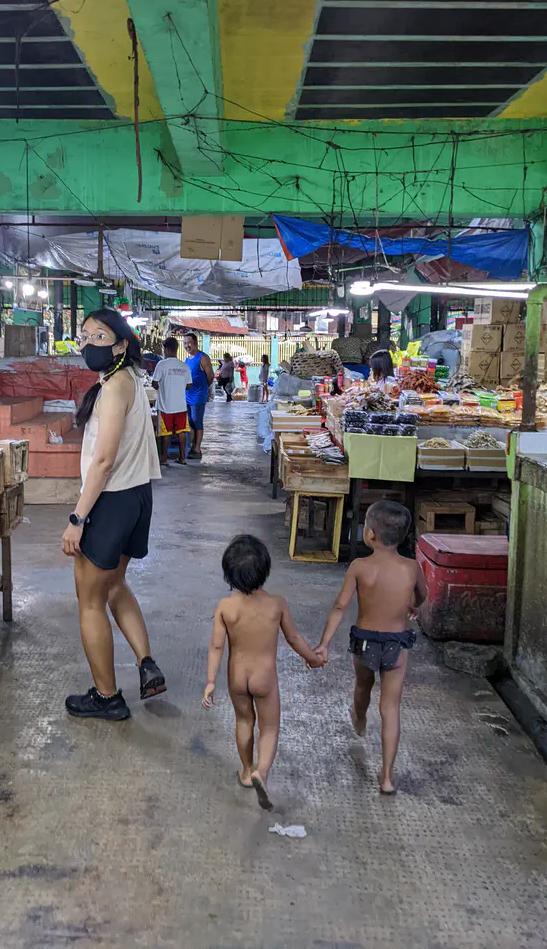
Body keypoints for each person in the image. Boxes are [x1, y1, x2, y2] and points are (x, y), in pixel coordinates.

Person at [62, 309, 166, 722]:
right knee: (116, 584)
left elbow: (103, 461)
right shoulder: (131, 381)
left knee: (90, 600)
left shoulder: (114, 388)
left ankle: (106, 697)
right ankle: (146, 662)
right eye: (85, 335)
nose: (89, 343)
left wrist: (77, 518)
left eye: (100, 336)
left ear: (121, 344)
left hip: (112, 500)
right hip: (138, 496)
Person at [202, 534, 324, 811]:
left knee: (244, 722)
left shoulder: (226, 607)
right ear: (266, 571)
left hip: (237, 677)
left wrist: (211, 681)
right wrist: (313, 658)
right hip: (264, 678)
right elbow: (294, 639)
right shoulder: (277, 604)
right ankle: (263, 773)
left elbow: (216, 646)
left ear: (228, 574)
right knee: (269, 726)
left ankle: (246, 771)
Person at [315, 501, 426, 796]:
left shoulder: (359, 567)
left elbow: (341, 605)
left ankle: (360, 718)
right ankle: (387, 777)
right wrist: (414, 608)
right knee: (390, 708)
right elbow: (422, 597)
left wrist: (324, 644)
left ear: (370, 534)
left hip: (365, 640)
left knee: (363, 685)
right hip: (397, 642)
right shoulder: (412, 567)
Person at [152, 337, 192, 466]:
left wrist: (163, 385)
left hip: (165, 406)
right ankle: (182, 457)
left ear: (167, 349)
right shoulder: (184, 365)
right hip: (181, 406)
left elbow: (154, 383)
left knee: (165, 433)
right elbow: (189, 385)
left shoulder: (162, 364)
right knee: (181, 431)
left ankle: (164, 459)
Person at [183, 332, 214, 459]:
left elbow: (210, 375)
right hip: (188, 395)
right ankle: (193, 445)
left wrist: (204, 389)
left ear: (195, 343)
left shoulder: (202, 357)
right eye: (185, 343)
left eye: (189, 343)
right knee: (190, 421)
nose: (187, 345)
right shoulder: (187, 359)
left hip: (198, 395)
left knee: (197, 421)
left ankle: (197, 448)